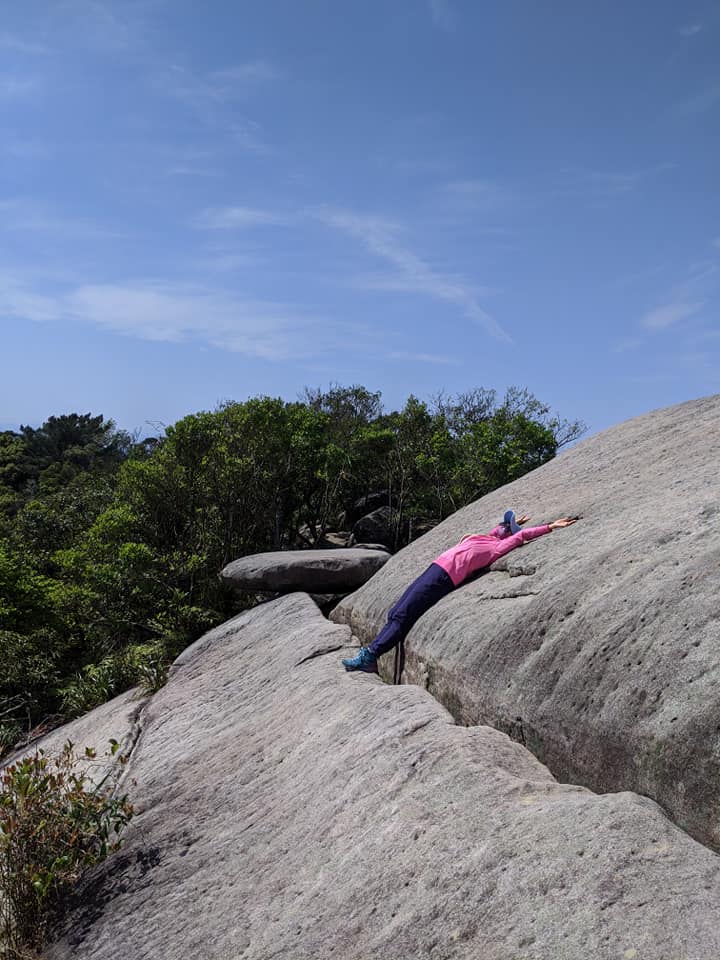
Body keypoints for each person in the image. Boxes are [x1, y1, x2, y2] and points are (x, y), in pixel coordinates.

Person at [342, 510, 578, 673]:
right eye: (505, 525)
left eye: (508, 527)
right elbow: (500, 529)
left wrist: (549, 527)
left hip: (444, 578)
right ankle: (373, 653)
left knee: (403, 615)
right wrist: (512, 523)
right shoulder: (483, 537)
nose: (504, 528)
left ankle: (371, 656)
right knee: (396, 611)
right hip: (435, 569)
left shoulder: (496, 548)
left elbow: (522, 536)